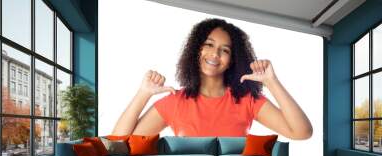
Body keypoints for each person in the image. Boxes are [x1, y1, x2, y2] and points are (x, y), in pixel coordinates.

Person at [112, 18, 312, 140]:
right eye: (208, 45)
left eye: (224, 50)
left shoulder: (247, 100)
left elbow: (301, 132)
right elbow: (119, 142)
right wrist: (143, 93)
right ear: (196, 50)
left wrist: (271, 82)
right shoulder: (174, 102)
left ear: (232, 59)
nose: (215, 54)